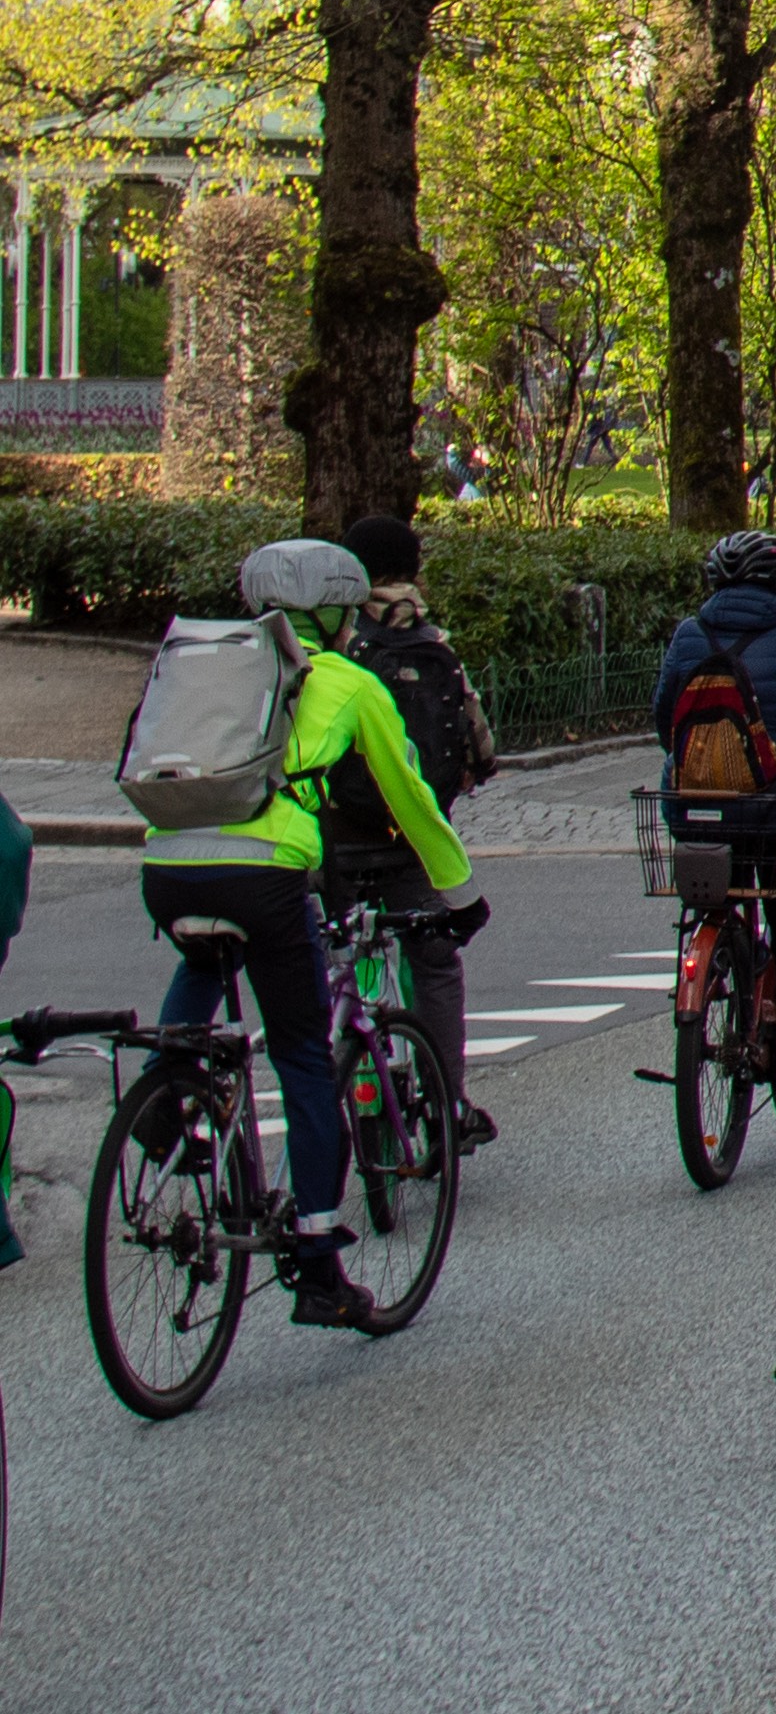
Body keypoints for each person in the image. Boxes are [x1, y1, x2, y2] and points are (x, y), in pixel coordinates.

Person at [132, 537, 477, 1324]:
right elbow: (411, 798)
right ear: (334, 614)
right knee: (302, 1057)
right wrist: (461, 893)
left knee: (207, 959)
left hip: (167, 862)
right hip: (267, 873)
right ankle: (320, 1269)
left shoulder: (203, 665)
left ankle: (167, 1084)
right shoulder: (349, 681)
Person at [323, 510, 495, 1146]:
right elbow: (479, 745)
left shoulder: (336, 642)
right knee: (435, 963)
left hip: (339, 841)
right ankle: (449, 1104)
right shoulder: (435, 645)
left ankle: (338, 1083)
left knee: (335, 955)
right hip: (412, 844)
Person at [652, 523, 776, 1086]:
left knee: (717, 896)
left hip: (691, 810)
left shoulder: (687, 637)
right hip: (772, 813)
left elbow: (664, 723)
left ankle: (719, 963)